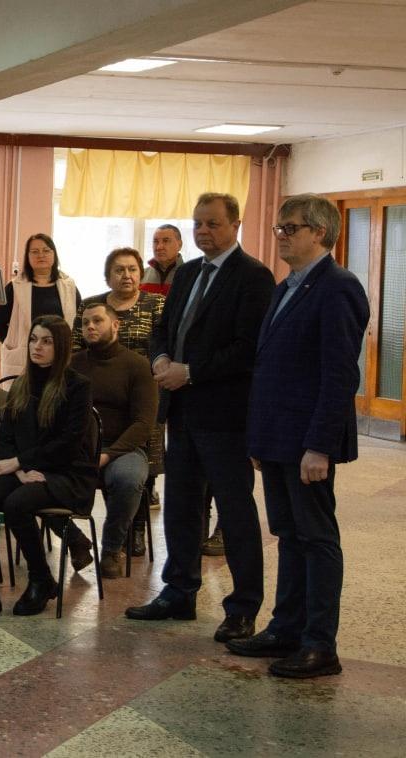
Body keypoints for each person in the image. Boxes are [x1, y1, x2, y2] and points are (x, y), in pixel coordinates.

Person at [229, 194, 369, 678]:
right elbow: (271, 366)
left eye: (290, 228)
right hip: (277, 437)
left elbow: (339, 375)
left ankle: (319, 644)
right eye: (279, 228)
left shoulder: (338, 287)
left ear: (320, 232)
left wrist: (320, 445)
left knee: (317, 538)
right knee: (288, 535)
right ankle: (285, 628)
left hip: (308, 441)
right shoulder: (287, 286)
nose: (281, 236)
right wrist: (260, 439)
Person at [126, 192, 276, 645]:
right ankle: (179, 591)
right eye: (198, 224)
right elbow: (162, 329)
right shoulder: (188, 273)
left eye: (213, 223)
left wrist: (190, 372)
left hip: (225, 414)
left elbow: (248, 348)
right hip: (181, 411)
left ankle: (243, 607)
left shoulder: (254, 277)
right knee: (181, 506)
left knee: (234, 510)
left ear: (235, 226)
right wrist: (161, 359)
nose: (204, 231)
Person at [0, 316, 94, 619]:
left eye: (46, 341)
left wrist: (21, 462)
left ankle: (40, 578)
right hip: (25, 468)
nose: (37, 346)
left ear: (61, 346)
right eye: (33, 339)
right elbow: (5, 435)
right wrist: (18, 469)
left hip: (65, 471)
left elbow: (68, 442)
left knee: (17, 504)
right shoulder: (22, 383)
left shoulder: (77, 386)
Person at [72, 246, 165, 558]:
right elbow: (75, 346)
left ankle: (129, 533)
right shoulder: (91, 307)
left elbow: (164, 345)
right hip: (94, 392)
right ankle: (87, 540)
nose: (126, 275)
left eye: (132, 269)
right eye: (119, 269)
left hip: (143, 393)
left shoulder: (156, 304)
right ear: (108, 275)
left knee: (136, 475)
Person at [71, 303, 156, 578]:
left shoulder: (137, 365)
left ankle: (111, 550)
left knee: (127, 479)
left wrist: (108, 454)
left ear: (116, 325)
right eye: (85, 322)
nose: (90, 327)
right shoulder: (73, 364)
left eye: (97, 321)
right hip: (80, 448)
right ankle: (75, 540)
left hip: (124, 448)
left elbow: (143, 424)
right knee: (38, 477)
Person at [0, 234, 81, 378]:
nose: (41, 255)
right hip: (24, 357)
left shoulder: (69, 286)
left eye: (46, 250)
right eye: (34, 252)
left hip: (60, 357)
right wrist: (15, 343)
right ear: (27, 256)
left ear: (54, 254)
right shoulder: (14, 287)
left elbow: (79, 321)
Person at [140, 224, 184, 296]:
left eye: (166, 241)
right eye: (156, 241)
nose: (159, 247)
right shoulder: (141, 275)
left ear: (180, 245)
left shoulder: (191, 276)